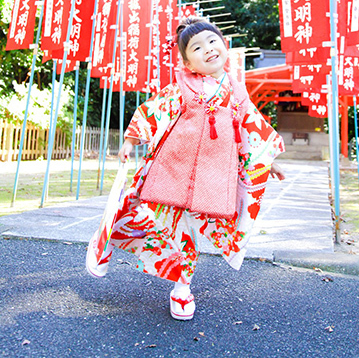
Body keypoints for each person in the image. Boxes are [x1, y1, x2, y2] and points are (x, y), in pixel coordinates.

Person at [86, 16, 285, 321]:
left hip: (214, 176)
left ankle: (182, 285)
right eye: (197, 47)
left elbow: (251, 126)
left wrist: (266, 160)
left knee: (196, 232)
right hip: (173, 167)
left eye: (212, 41)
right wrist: (131, 139)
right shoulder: (181, 86)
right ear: (187, 62)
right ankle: (107, 246)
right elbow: (154, 109)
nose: (208, 49)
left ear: (224, 45)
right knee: (145, 211)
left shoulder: (236, 88)